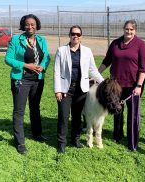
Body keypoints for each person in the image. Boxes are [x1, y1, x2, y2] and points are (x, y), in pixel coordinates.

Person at [98, 20, 145, 151]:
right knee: (117, 111)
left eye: (131, 29)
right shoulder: (115, 43)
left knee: (133, 114)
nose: (129, 31)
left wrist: (138, 85)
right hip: (116, 85)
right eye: (127, 29)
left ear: (135, 31)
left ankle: (132, 142)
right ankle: (117, 135)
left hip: (133, 86)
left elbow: (143, 69)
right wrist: (96, 74)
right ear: (123, 29)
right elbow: (106, 61)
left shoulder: (140, 45)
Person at [54, 25, 104, 154]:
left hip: (81, 89)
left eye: (78, 34)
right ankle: (61, 143)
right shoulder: (61, 50)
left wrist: (104, 83)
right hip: (66, 90)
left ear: (81, 36)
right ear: (69, 35)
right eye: (73, 33)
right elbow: (56, 72)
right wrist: (58, 90)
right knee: (64, 117)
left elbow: (93, 70)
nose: (75, 36)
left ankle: (75, 140)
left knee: (77, 117)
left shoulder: (87, 51)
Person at [5, 14, 50, 154]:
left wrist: (42, 66)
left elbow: (47, 57)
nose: (30, 26)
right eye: (27, 24)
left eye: (33, 24)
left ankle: (37, 134)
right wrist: (26, 65)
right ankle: (20, 142)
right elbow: (8, 59)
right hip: (21, 80)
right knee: (19, 111)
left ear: (37, 25)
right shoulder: (16, 40)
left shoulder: (41, 40)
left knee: (35, 107)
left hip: (38, 79)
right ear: (23, 26)